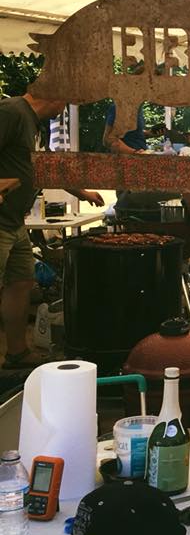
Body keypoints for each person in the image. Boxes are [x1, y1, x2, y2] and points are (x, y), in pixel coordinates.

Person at [0, 93, 104, 369]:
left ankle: (17, 353)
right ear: (53, 96)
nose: (63, 111)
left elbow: (46, 170)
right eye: (64, 104)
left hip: (15, 222)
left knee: (21, 283)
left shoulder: (34, 125)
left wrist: (82, 192)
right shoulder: (12, 112)